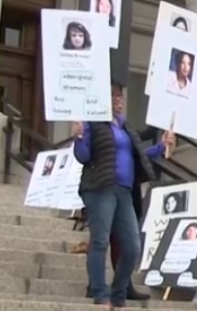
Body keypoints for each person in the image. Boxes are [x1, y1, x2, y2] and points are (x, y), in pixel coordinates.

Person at [71, 83, 158, 307]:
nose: (120, 100)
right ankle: (100, 293)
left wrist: (160, 148)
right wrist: (79, 137)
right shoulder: (94, 123)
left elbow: (138, 154)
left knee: (132, 246)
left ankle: (118, 293)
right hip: (101, 188)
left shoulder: (124, 126)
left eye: (121, 96)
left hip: (124, 191)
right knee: (100, 241)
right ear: (104, 99)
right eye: (115, 96)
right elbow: (83, 156)